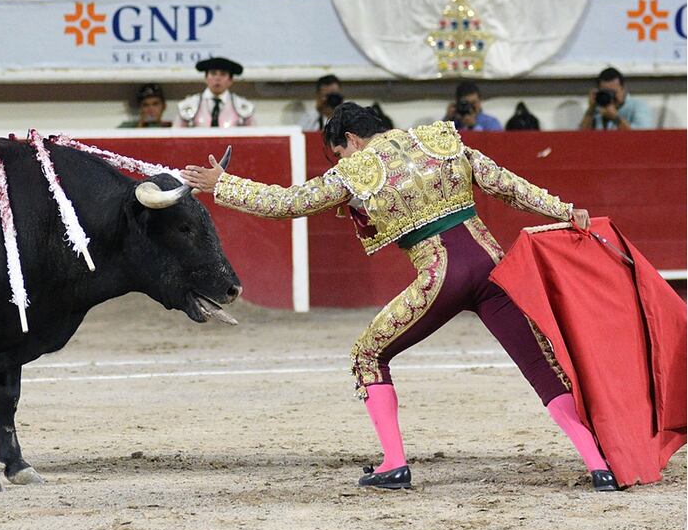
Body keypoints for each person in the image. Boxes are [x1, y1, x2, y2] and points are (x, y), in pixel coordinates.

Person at [181, 102, 617, 492]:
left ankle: (394, 464)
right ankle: (599, 466)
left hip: (441, 276)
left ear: (350, 140)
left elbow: (289, 203)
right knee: (540, 365)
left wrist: (223, 184)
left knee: (368, 355)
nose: (342, 162)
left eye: (339, 154)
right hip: (493, 270)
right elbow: (509, 187)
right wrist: (565, 211)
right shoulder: (441, 141)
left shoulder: (356, 169)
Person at [175, 57, 255, 128]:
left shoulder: (243, 107)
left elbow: (253, 139)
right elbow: (175, 138)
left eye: (223, 74)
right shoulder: (189, 105)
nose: (217, 78)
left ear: (230, 80)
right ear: (206, 78)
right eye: (213, 74)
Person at [578, 67, 654, 131]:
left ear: (623, 89)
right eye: (606, 93)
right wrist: (590, 110)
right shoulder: (597, 108)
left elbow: (642, 137)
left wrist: (616, 118)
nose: (610, 97)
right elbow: (580, 138)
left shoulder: (639, 106)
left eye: (613, 93)